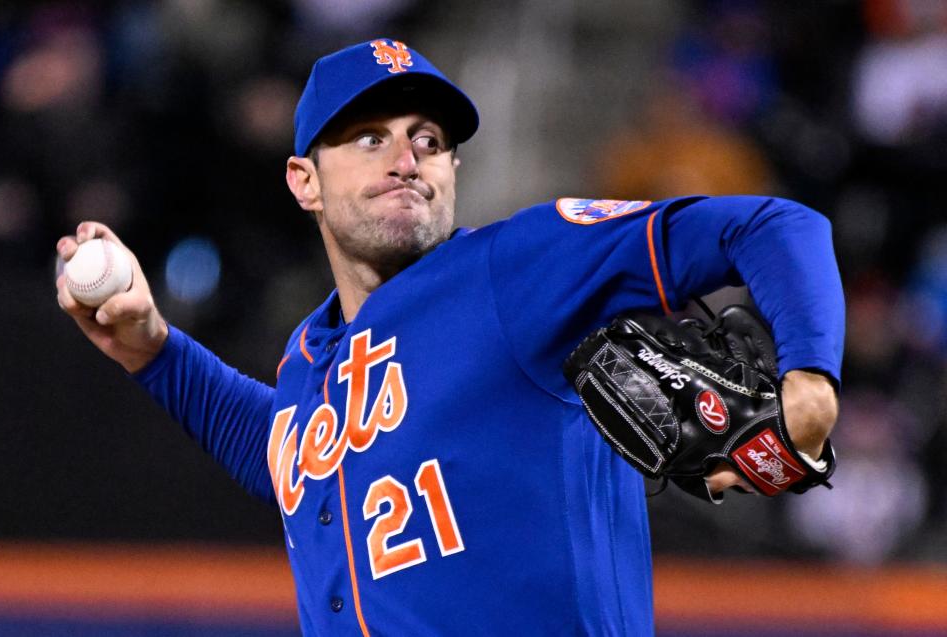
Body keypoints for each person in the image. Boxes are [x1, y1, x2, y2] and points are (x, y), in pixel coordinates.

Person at [56, 39, 844, 636]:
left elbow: (771, 224)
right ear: (304, 181)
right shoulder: (309, 354)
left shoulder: (513, 269)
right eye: (371, 137)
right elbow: (297, 457)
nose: (407, 159)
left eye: (428, 139)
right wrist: (152, 348)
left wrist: (809, 379)